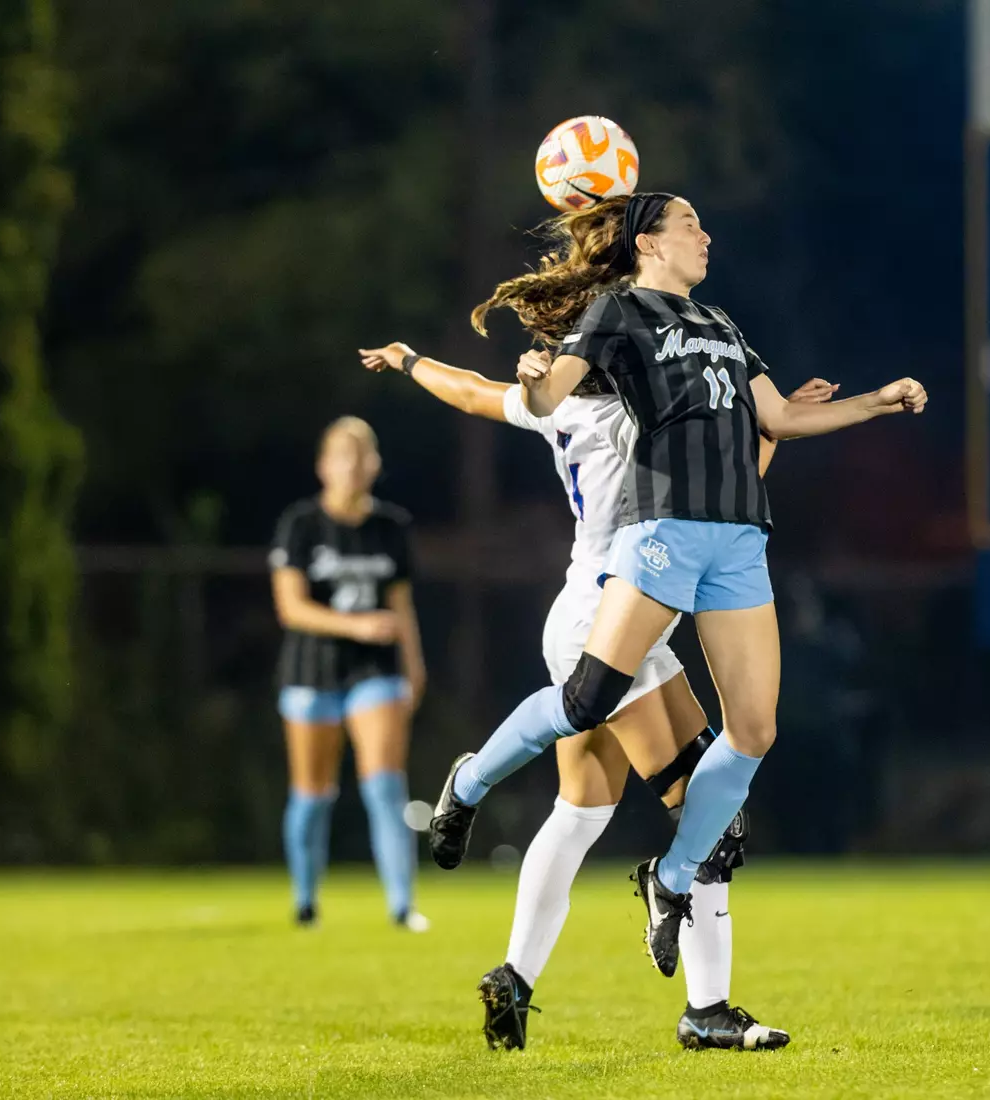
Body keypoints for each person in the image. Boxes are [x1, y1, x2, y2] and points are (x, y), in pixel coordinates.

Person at [410, 191, 923, 984]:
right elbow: (520, 397)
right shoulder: (613, 345)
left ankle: (627, 910)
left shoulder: (720, 327)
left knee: (728, 744)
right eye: (689, 222)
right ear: (647, 243)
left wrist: (874, 404)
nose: (706, 234)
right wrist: (523, 375)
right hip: (637, 558)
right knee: (636, 766)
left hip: (731, 539)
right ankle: (475, 785)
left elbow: (772, 424)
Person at [358, 338, 835, 1050]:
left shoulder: (562, 412)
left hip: (605, 618)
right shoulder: (635, 418)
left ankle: (513, 979)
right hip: (610, 627)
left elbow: (468, 390)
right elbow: (726, 482)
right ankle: (705, 1011)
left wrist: (407, 361)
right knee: (709, 821)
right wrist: (776, 424)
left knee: (580, 814)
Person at [269, 417, 428, 931]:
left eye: (363, 455)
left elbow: (402, 606)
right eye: (343, 455)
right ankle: (305, 900)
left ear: (375, 464)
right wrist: (357, 626)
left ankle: (402, 906)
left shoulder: (392, 527)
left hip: (375, 672)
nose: (354, 466)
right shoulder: (301, 524)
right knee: (312, 794)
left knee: (384, 786)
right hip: (310, 673)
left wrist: (414, 666)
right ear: (323, 465)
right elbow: (291, 608)